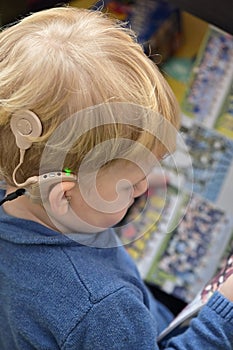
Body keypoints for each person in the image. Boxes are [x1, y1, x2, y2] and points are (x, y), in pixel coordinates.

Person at [0, 6, 232, 350]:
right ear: (63, 196)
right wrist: (223, 314)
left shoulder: (18, 179)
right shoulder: (102, 307)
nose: (143, 188)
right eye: (129, 184)